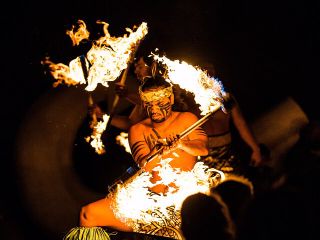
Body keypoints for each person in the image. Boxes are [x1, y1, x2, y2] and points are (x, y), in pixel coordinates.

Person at [64, 75, 209, 239]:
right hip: (149, 205)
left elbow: (203, 149)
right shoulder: (137, 130)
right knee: (88, 214)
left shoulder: (187, 119)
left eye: (160, 103)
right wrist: (157, 150)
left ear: (170, 98)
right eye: (149, 104)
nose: (154, 109)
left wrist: (182, 144)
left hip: (184, 204)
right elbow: (144, 164)